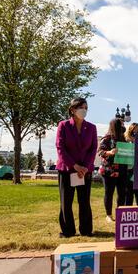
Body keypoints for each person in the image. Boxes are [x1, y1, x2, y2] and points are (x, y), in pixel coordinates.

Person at [55, 97, 98, 237]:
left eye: (86, 108)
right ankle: (68, 231)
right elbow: (60, 148)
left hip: (85, 171)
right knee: (66, 201)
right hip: (67, 169)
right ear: (73, 110)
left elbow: (93, 149)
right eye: (81, 108)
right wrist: (74, 165)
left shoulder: (91, 127)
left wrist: (85, 167)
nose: (84, 110)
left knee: (84, 201)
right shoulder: (63, 125)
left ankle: (86, 230)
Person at [98, 118, 128, 222]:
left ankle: (120, 214)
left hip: (122, 171)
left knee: (122, 193)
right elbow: (100, 151)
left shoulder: (124, 139)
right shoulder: (106, 138)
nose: (123, 127)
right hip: (108, 171)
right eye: (121, 125)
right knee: (109, 193)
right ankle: (109, 215)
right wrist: (110, 152)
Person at [124, 123, 138, 206]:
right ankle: (127, 211)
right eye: (135, 130)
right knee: (128, 193)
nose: (136, 132)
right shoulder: (125, 141)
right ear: (130, 130)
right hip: (128, 170)